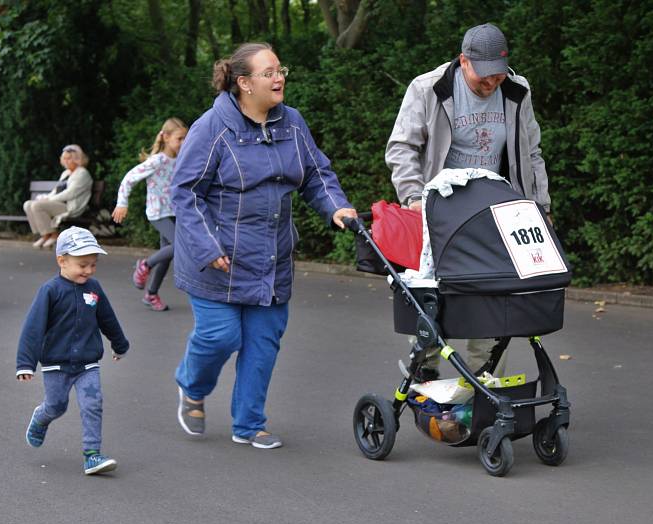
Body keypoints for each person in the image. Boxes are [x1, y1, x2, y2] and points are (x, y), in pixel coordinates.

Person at [171, 42, 356, 449]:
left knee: (263, 340)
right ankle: (192, 385)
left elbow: (315, 174)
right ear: (243, 83)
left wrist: (337, 208)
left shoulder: (291, 123)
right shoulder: (212, 128)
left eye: (280, 69)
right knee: (220, 336)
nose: (279, 77)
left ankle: (249, 423)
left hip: (271, 257)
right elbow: (185, 192)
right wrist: (206, 245)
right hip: (216, 258)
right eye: (269, 72)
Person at [385, 22, 552, 381]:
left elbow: (531, 153)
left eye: (497, 75)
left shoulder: (517, 91)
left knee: (492, 299)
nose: (491, 83)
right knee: (434, 294)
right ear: (464, 61)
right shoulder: (429, 89)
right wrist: (414, 198)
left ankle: (484, 383)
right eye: (483, 77)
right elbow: (401, 148)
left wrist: (541, 208)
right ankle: (425, 373)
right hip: (441, 210)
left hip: (496, 211)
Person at [16, 226, 129, 475]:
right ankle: (41, 417)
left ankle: (92, 455)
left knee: (93, 404)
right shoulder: (50, 291)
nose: (88, 270)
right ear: (62, 261)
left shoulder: (94, 288)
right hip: (57, 364)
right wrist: (25, 363)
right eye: (82, 265)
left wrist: (119, 344)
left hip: (87, 363)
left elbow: (107, 318)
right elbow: (33, 328)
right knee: (57, 406)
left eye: (93, 264)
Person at [112, 118, 189, 311]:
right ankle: (145, 265)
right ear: (166, 137)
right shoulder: (157, 160)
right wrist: (122, 203)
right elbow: (129, 178)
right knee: (180, 245)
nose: (183, 143)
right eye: (179, 138)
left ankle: (151, 294)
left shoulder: (180, 159)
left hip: (174, 211)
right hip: (158, 212)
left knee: (168, 255)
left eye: (185, 138)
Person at [23, 144, 94, 250]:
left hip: (71, 207)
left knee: (37, 206)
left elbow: (70, 193)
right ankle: (45, 235)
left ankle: (54, 235)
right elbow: (57, 190)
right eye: (64, 158)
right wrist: (47, 197)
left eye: (69, 158)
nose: (65, 161)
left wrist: (49, 199)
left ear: (77, 158)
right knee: (28, 204)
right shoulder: (66, 173)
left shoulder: (82, 174)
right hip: (60, 204)